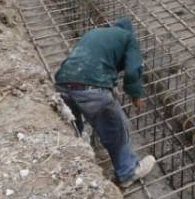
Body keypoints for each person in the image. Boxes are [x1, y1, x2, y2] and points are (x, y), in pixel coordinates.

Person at [54, 17, 156, 187]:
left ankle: (81, 160)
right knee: (115, 127)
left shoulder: (96, 33)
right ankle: (128, 171)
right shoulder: (128, 38)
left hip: (62, 82)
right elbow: (132, 72)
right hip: (91, 88)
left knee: (74, 128)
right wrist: (136, 95)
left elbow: (92, 61)